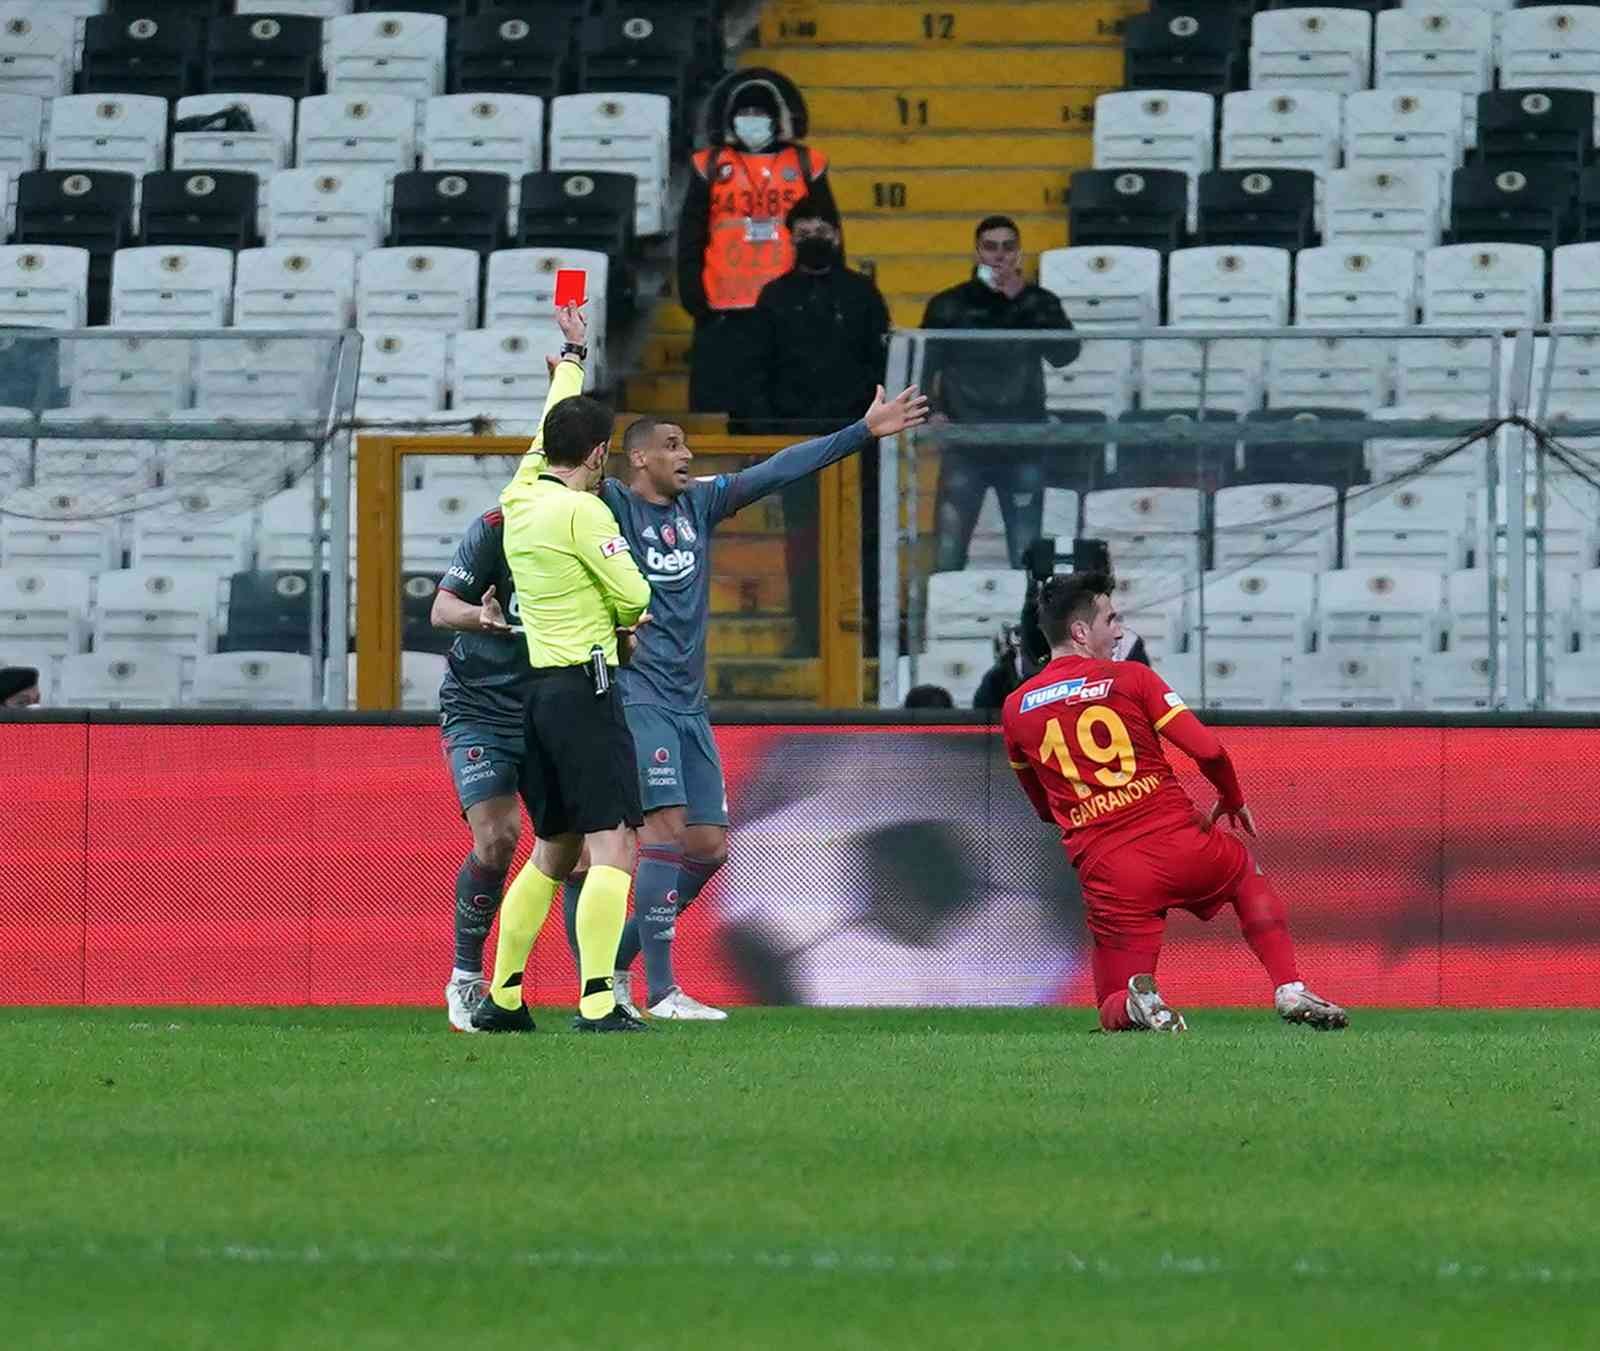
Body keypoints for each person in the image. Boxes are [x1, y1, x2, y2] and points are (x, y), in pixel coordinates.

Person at [532, 318, 927, 1019]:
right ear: (636, 458)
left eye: (687, 444)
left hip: (690, 703)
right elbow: (553, 465)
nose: (687, 453)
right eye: (672, 445)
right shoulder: (607, 504)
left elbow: (779, 469)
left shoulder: (700, 503)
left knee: (710, 848)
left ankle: (611, 961)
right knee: (661, 833)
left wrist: (862, 433)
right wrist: (567, 375)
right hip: (634, 695)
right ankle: (658, 990)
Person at [1000, 572, 1347, 1033]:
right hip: (1180, 842)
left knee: (1112, 1003)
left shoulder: (1016, 708)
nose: (1119, 632)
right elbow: (1209, 751)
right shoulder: (1132, 677)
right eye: (1111, 619)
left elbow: (1044, 809)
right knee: (1244, 874)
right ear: (1081, 632)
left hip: (1111, 872)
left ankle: (1136, 1007)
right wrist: (1231, 797)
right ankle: (1289, 986)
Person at [474, 313, 654, 1035]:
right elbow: (635, 593)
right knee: (616, 843)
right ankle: (599, 999)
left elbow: (551, 427)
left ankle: (504, 996)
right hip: (588, 687)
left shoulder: (520, 493)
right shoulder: (584, 512)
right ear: (601, 454)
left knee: (554, 849)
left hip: (537, 694)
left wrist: (572, 359)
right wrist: (620, 613)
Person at [431, 307, 588, 1033]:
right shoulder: (498, 527)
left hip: (555, 704)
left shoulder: (592, 524)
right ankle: (466, 975)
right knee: (496, 840)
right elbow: (442, 609)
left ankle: (596, 991)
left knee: (578, 852)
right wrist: (482, 618)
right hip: (484, 704)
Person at [741, 195, 891, 653]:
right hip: (798, 440)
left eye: (821, 231)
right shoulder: (774, 297)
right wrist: (767, 437)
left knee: (867, 536)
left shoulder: (862, 295)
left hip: (860, 438)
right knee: (804, 540)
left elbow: (882, 365)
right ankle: (809, 634)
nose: (813, 239)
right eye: (803, 232)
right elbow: (757, 371)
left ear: (838, 235)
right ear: (790, 238)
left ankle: (870, 634)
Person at [921, 217, 1081, 572]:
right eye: (991, 247)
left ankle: (1029, 611)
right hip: (964, 441)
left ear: (1019, 253)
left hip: (1022, 441)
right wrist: (931, 411)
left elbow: (1066, 353)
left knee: (1026, 556)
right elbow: (924, 366)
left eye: (1008, 247)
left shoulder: (1038, 301)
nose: (1000, 256)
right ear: (977, 252)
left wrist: (1024, 302)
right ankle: (943, 609)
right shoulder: (949, 305)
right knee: (948, 553)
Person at [677, 68, 836, 415]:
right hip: (723, 303)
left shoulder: (806, 163)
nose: (751, 119)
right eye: (744, 112)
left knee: (784, 401)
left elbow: (828, 231)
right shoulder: (710, 164)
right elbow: (691, 234)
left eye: (760, 112)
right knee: (725, 401)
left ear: (777, 118)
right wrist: (692, 292)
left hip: (791, 302)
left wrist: (826, 288)